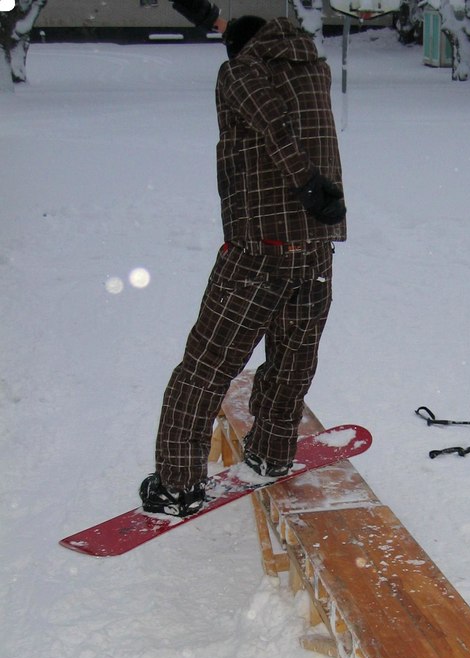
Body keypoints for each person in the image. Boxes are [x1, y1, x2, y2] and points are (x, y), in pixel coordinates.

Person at [140, 15, 346, 516]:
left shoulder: (241, 73)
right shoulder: (312, 68)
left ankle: (176, 483)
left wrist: (304, 181)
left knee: (205, 367)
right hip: (315, 248)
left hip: (259, 248)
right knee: (292, 360)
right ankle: (273, 453)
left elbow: (273, 127)